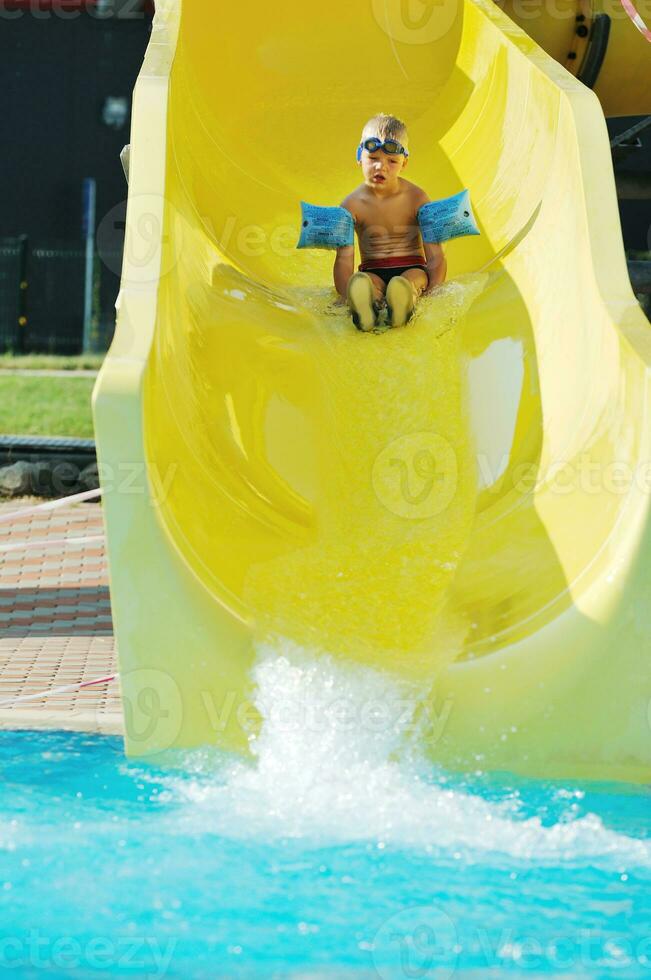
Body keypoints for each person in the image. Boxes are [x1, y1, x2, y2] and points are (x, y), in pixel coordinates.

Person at [334, 113, 447, 331]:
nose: (380, 167)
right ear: (359, 156)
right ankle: (366, 307)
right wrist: (345, 294)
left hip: (412, 267)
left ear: (404, 163)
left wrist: (435, 292)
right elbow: (343, 260)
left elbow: (435, 254)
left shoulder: (417, 198)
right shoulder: (350, 206)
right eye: (373, 158)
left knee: (411, 280)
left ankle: (403, 301)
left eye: (392, 161)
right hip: (372, 270)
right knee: (363, 283)